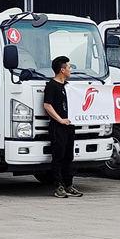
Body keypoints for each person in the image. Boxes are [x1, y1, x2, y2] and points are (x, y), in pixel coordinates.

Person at [43, 55, 82, 198]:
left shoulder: (68, 87)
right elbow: (47, 105)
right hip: (58, 127)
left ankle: (69, 184)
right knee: (58, 156)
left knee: (69, 156)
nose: (71, 69)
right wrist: (60, 120)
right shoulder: (51, 86)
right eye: (69, 67)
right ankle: (58, 186)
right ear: (62, 70)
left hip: (70, 126)